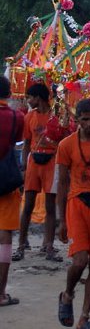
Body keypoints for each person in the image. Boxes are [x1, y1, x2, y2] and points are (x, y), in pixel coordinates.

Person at [56, 99, 90, 329]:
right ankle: (67, 294)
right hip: (77, 205)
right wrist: (62, 221)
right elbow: (62, 183)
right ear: (76, 120)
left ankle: (84, 317)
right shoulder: (66, 145)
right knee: (80, 261)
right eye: (85, 119)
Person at [12, 83, 62, 262]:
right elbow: (26, 143)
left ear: (38, 98)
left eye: (30, 97)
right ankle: (21, 244)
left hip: (51, 161)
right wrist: (24, 167)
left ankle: (48, 245)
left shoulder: (55, 116)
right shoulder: (29, 117)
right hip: (34, 161)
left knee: (50, 206)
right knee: (28, 205)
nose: (29, 100)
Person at [0, 75, 24, 307]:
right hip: (6, 181)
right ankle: (0, 293)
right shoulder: (18, 117)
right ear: (9, 93)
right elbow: (15, 143)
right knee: (5, 235)